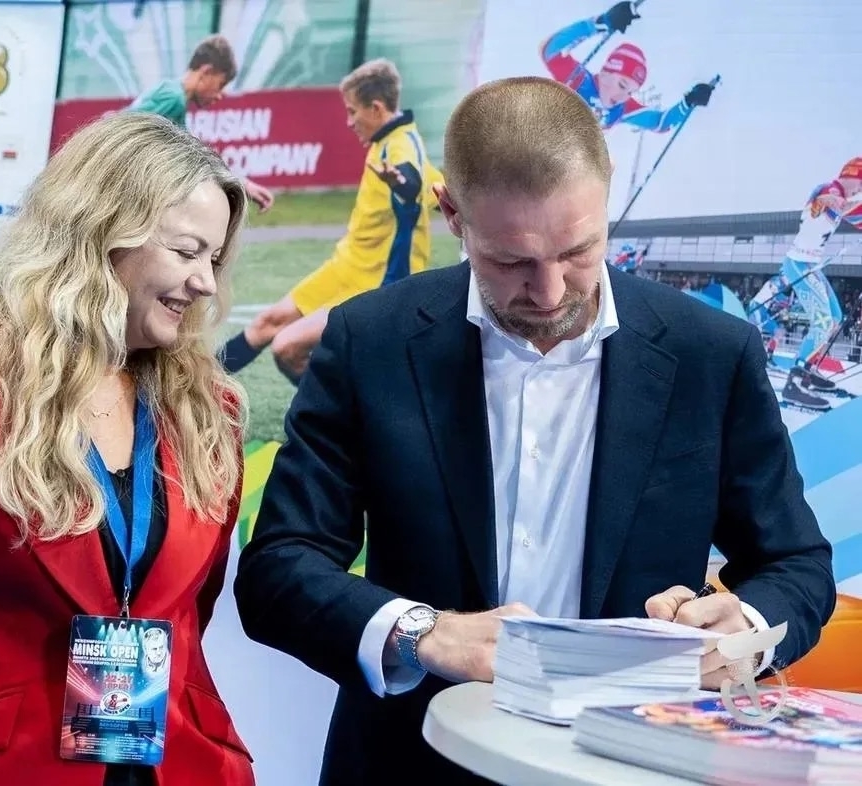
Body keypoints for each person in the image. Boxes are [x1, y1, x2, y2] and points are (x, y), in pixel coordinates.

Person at [233, 76, 836, 785]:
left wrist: (744, 628)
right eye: (511, 261)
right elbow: (280, 566)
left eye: (578, 250)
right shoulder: (370, 341)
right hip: (410, 762)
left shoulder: (711, 354)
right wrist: (424, 632)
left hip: (634, 766)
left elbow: (796, 564)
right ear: (451, 213)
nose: (550, 293)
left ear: (606, 196)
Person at [0, 112, 256, 786]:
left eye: (214, 259)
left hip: (182, 765)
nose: (206, 281)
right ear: (103, 233)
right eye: (186, 252)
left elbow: (188, 610)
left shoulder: (212, 410)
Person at [219, 58, 441, 385]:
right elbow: (440, 191)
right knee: (267, 323)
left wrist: (403, 183)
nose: (349, 122)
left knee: (287, 348)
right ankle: (195, 388)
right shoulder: (388, 141)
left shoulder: (402, 146)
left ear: (376, 108)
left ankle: (337, 412)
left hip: (373, 284)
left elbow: (409, 180)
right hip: (346, 268)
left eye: (353, 112)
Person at [747, 156, 862, 412]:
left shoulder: (844, 197)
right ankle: (795, 383)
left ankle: (809, 370)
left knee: (834, 318)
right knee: (822, 322)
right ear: (850, 175)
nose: (859, 189)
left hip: (812, 266)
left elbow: (853, 214)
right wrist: (846, 200)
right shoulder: (830, 188)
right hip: (799, 264)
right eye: (860, 183)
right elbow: (829, 200)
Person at [127, 33, 274, 213]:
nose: (220, 95)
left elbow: (196, 153)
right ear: (206, 72)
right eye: (221, 84)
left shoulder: (170, 91)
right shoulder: (174, 99)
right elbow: (123, 130)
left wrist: (242, 183)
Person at [541, 1, 715, 133]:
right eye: (622, 85)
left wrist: (688, 102)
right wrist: (602, 23)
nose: (622, 96)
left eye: (630, 92)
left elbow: (660, 122)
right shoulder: (579, 80)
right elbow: (551, 50)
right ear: (605, 73)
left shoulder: (621, 108)